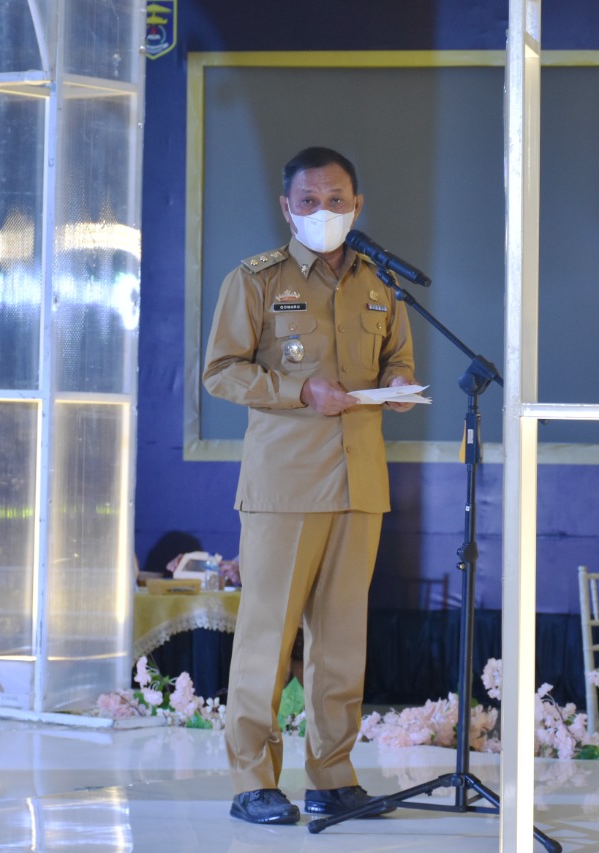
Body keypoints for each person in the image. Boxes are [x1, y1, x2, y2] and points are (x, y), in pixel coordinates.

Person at [203, 146, 417, 825]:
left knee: (342, 641)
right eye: (309, 201)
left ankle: (332, 775)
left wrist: (398, 387)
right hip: (286, 485)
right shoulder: (256, 280)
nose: (323, 211)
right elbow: (220, 371)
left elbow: (399, 360)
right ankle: (252, 780)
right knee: (267, 636)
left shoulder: (381, 283)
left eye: (336, 200)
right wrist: (300, 390)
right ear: (286, 207)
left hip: (360, 481)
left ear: (358, 205)